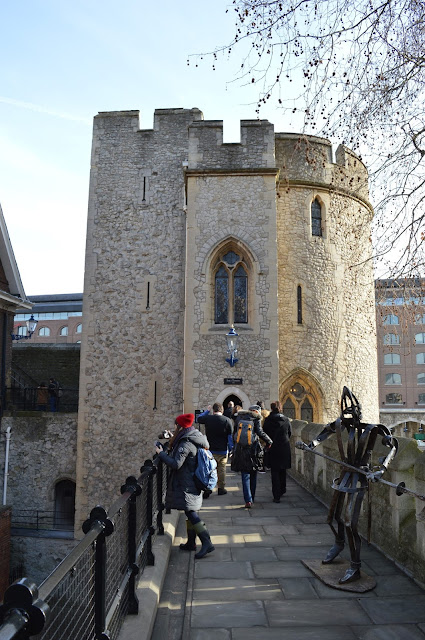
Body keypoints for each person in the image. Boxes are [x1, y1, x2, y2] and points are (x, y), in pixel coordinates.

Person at [155, 413, 215, 559]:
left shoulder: (186, 443)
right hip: (191, 481)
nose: (174, 428)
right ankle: (191, 542)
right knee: (189, 512)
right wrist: (172, 439)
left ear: (180, 426)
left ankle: (207, 542)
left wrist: (161, 454)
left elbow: (176, 464)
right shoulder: (192, 437)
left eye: (175, 425)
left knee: (192, 513)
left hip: (187, 483)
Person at [231, 405, 272, 508]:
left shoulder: (239, 417)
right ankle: (252, 497)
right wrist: (269, 441)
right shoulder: (256, 418)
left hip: (241, 449)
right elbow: (259, 432)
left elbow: (234, 433)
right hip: (253, 450)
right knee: (253, 473)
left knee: (245, 475)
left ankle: (247, 500)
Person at [197, 403, 233, 496]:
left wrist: (207, 411)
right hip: (223, 450)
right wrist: (231, 448)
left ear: (213, 410)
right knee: (221, 470)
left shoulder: (208, 418)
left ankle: (208, 488)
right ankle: (221, 488)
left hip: (210, 450)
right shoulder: (227, 420)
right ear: (222, 410)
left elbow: (198, 418)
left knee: (209, 469)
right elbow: (230, 436)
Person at [263, 401, 292, 502]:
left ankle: (276, 496)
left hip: (272, 447)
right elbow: (289, 433)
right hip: (284, 447)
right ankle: (282, 489)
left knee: (274, 472)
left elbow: (264, 433)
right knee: (283, 469)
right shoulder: (286, 420)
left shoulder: (268, 420)